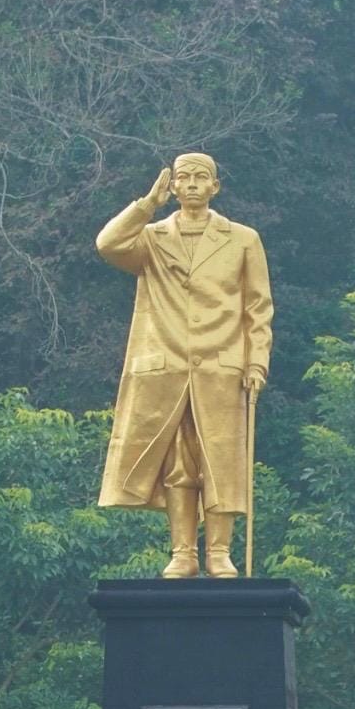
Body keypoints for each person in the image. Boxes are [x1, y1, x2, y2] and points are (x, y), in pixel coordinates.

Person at [95, 152, 272, 579]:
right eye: (183, 178)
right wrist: (146, 205)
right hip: (167, 367)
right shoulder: (152, 238)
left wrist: (256, 363)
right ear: (172, 186)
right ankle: (182, 552)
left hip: (222, 365)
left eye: (201, 178)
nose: (192, 184)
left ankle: (219, 551)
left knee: (221, 459)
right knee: (178, 463)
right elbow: (107, 244)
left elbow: (258, 308)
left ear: (216, 187)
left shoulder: (243, 239)